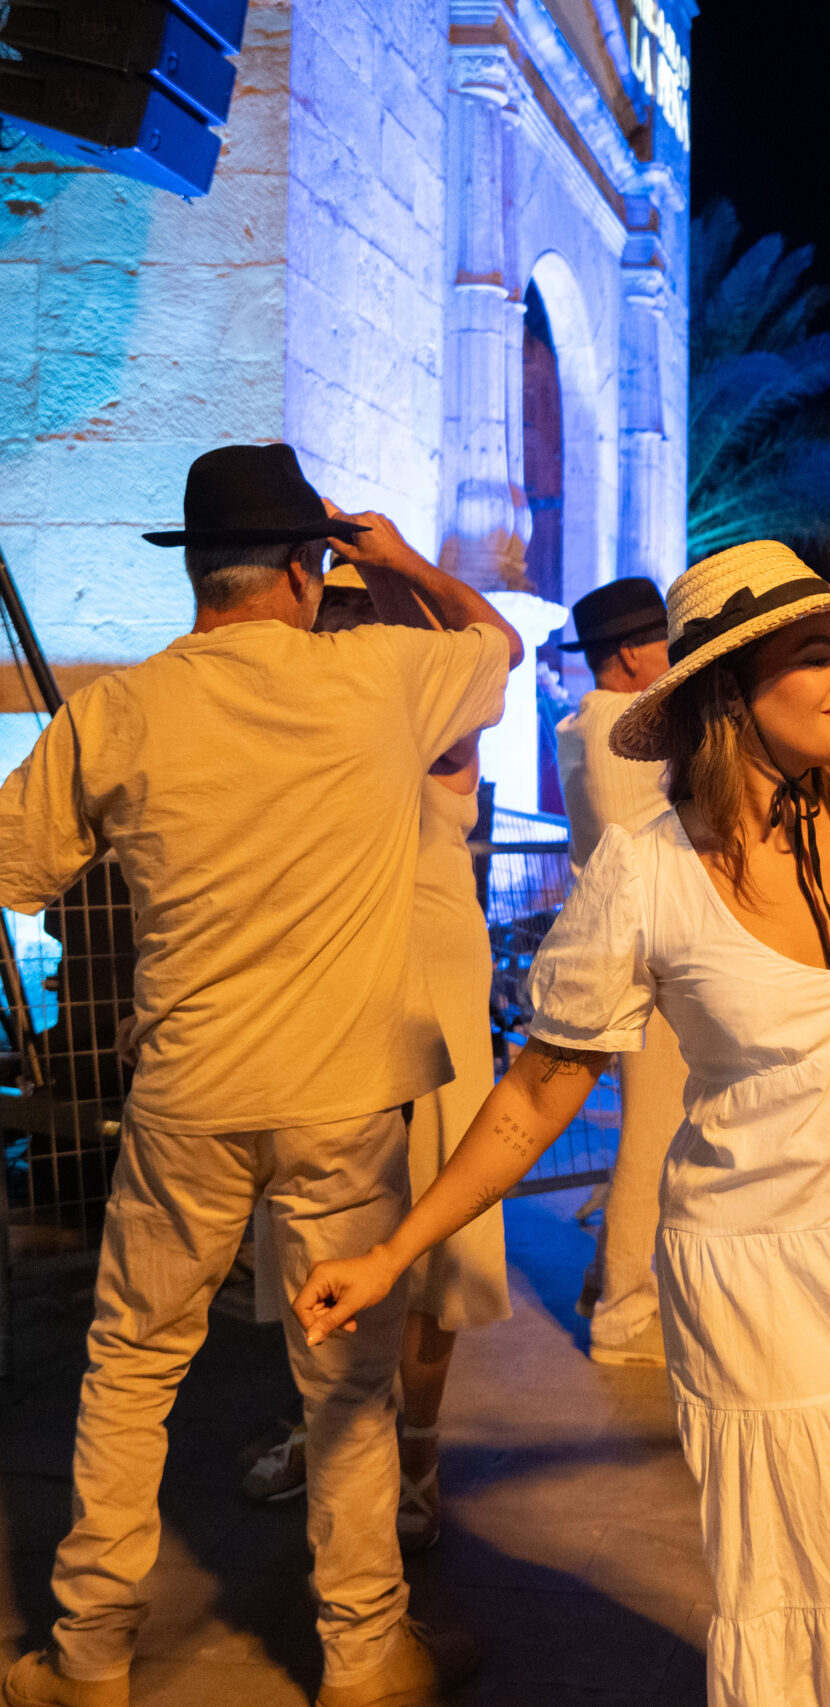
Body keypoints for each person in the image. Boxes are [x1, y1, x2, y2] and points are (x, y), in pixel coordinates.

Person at [293, 470, 830, 1707]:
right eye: (817, 656)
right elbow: (535, 1095)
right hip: (761, 1285)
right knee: (827, 1574)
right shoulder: (645, 880)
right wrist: (393, 1252)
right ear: (732, 692)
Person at [0, 443, 520, 1707]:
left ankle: (89, 1657)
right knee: (346, 1385)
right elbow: (497, 646)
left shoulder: (121, 710)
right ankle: (365, 1655)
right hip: (348, 1091)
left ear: (197, 573)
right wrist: (397, 560)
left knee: (132, 1366)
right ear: (302, 567)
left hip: (188, 1092)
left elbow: (17, 868)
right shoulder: (380, 675)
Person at [241, 567, 510, 1553]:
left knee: (435, 1227)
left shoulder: (433, 707)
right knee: (315, 1216)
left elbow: (495, 646)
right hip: (326, 976)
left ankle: (419, 1451)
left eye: (365, 608)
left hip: (431, 980)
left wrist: (398, 563)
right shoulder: (304, 723)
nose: (347, 624)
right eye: (335, 605)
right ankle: (328, 1431)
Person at [552, 575, 685, 1367]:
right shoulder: (623, 726)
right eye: (667, 641)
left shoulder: (583, 721)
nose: (677, 655)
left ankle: (608, 1275)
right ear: (632, 655)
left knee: (652, 1121)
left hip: (619, 945)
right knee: (654, 1129)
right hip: (651, 947)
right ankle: (623, 1311)